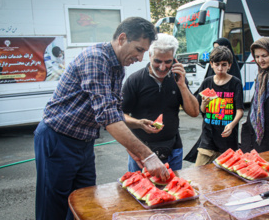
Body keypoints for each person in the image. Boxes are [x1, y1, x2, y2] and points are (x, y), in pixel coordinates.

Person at [34, 17, 170, 220]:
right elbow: (107, 116)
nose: (141, 58)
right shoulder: (96, 58)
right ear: (122, 38)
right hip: (58, 139)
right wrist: (148, 155)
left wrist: (133, 150)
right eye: (139, 50)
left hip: (84, 142)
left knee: (85, 201)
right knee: (54, 205)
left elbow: (115, 112)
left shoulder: (117, 67)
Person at [122, 33, 199, 172]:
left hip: (173, 148)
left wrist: (182, 85)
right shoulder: (135, 80)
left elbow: (194, 112)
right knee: (142, 190)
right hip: (141, 149)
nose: (162, 67)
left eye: (168, 62)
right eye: (158, 61)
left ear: (174, 59)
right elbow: (120, 116)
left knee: (172, 190)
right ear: (150, 55)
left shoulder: (178, 78)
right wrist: (139, 123)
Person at [194, 46, 244, 166]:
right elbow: (202, 110)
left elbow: (240, 111)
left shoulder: (235, 83)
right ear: (211, 64)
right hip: (208, 139)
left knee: (226, 180)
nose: (220, 68)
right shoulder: (207, 82)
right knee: (200, 174)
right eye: (217, 64)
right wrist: (204, 104)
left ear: (229, 65)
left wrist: (232, 124)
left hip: (227, 140)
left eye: (224, 64)